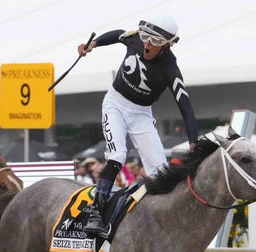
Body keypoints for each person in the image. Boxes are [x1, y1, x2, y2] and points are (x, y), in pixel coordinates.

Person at [78, 13, 199, 237]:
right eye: (145, 37)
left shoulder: (170, 68)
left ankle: (160, 220)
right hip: (115, 104)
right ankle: (95, 211)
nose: (147, 43)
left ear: (167, 45)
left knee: (160, 170)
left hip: (141, 114)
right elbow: (117, 35)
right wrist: (93, 44)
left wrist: (194, 141)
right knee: (117, 156)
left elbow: (186, 107)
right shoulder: (135, 39)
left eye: (154, 41)